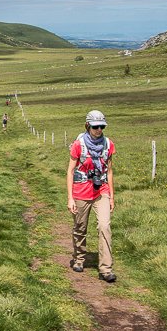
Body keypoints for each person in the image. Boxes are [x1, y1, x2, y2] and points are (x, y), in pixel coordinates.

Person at [66, 109, 117, 283]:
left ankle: (106, 269)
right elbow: (70, 171)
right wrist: (70, 198)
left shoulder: (108, 144)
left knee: (104, 226)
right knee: (80, 227)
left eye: (102, 126)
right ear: (87, 126)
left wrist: (111, 196)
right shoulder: (78, 145)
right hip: (81, 191)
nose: (99, 130)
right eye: (95, 127)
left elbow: (109, 171)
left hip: (101, 190)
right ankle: (79, 258)